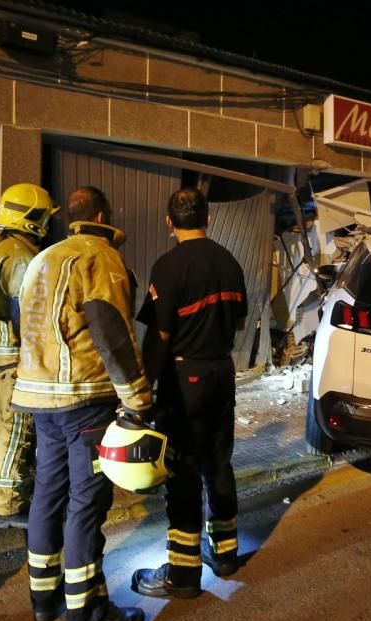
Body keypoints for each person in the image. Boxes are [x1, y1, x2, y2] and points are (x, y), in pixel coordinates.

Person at [11, 186, 152, 621]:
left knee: (47, 493)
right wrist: (137, 400)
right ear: (104, 215)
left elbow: (21, 318)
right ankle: (86, 613)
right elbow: (111, 330)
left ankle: (43, 599)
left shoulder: (43, 258)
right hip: (84, 399)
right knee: (86, 503)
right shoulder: (100, 256)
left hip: (39, 398)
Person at [131, 187, 248, 599]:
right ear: (207, 219)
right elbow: (237, 324)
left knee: (182, 472)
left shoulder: (167, 267)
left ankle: (182, 575)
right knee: (219, 463)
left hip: (185, 380)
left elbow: (159, 336)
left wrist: (143, 386)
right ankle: (227, 554)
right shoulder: (230, 263)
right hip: (222, 372)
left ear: (169, 222)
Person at [0, 183, 58, 529]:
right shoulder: (22, 257)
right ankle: (6, 506)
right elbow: (28, 312)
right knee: (19, 429)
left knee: (2, 423)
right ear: (32, 218)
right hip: (15, 357)